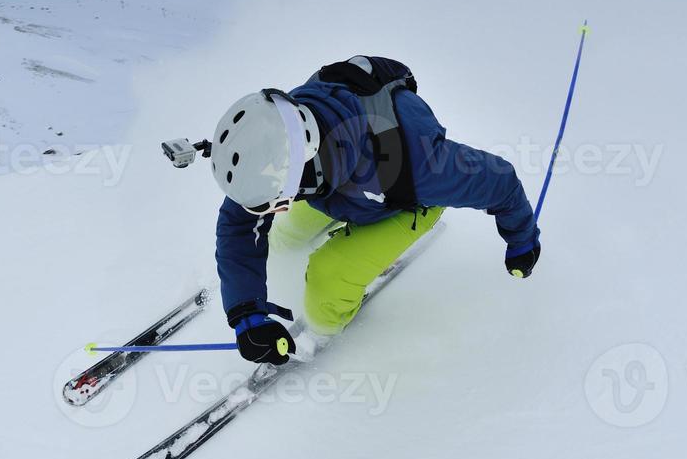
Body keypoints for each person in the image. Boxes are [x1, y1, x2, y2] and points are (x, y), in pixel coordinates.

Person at [211, 55, 540, 365]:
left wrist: (522, 241)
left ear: (304, 172)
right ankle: (312, 247)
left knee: (328, 281)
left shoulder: (422, 164)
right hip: (340, 188)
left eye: (279, 196)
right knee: (282, 235)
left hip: (402, 203)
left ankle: (321, 329)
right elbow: (240, 222)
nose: (272, 204)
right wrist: (246, 311)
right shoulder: (282, 142)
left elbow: (500, 181)